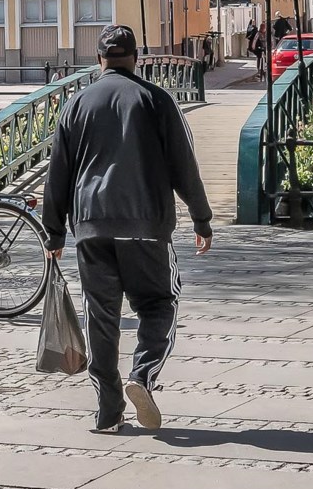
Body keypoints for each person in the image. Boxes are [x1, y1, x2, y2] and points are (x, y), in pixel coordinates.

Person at [41, 24, 215, 433]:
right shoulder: (157, 100)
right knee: (160, 304)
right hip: (146, 225)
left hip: (91, 226)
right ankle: (142, 375)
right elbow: (183, 164)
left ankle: (108, 411)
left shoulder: (76, 104)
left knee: (100, 317)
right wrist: (201, 218)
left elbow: (58, 172)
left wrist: (54, 232)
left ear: (98, 60)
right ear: (137, 59)